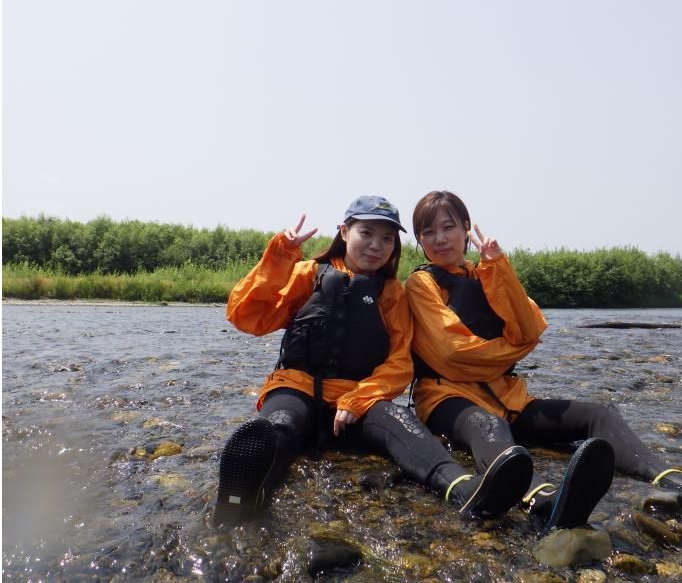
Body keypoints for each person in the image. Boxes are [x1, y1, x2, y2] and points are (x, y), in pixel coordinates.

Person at [405, 190, 682, 532]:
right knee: (489, 427)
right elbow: (454, 354)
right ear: (420, 241)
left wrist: (498, 266)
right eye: (428, 232)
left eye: (448, 227)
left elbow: (529, 326)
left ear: (466, 230)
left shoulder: (489, 273)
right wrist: (514, 350)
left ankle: (675, 480)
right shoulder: (421, 284)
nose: (440, 238)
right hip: (446, 399)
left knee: (599, 414)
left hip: (509, 398)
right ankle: (542, 497)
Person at [214, 195, 533, 526]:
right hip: (296, 388)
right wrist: (279, 255)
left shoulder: (393, 293)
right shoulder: (309, 274)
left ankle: (462, 488)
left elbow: (400, 363)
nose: (376, 246)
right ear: (344, 231)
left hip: (358, 399)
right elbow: (245, 315)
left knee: (402, 422)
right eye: (366, 233)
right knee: (278, 426)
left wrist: (358, 398)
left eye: (387, 238)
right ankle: (242, 500)